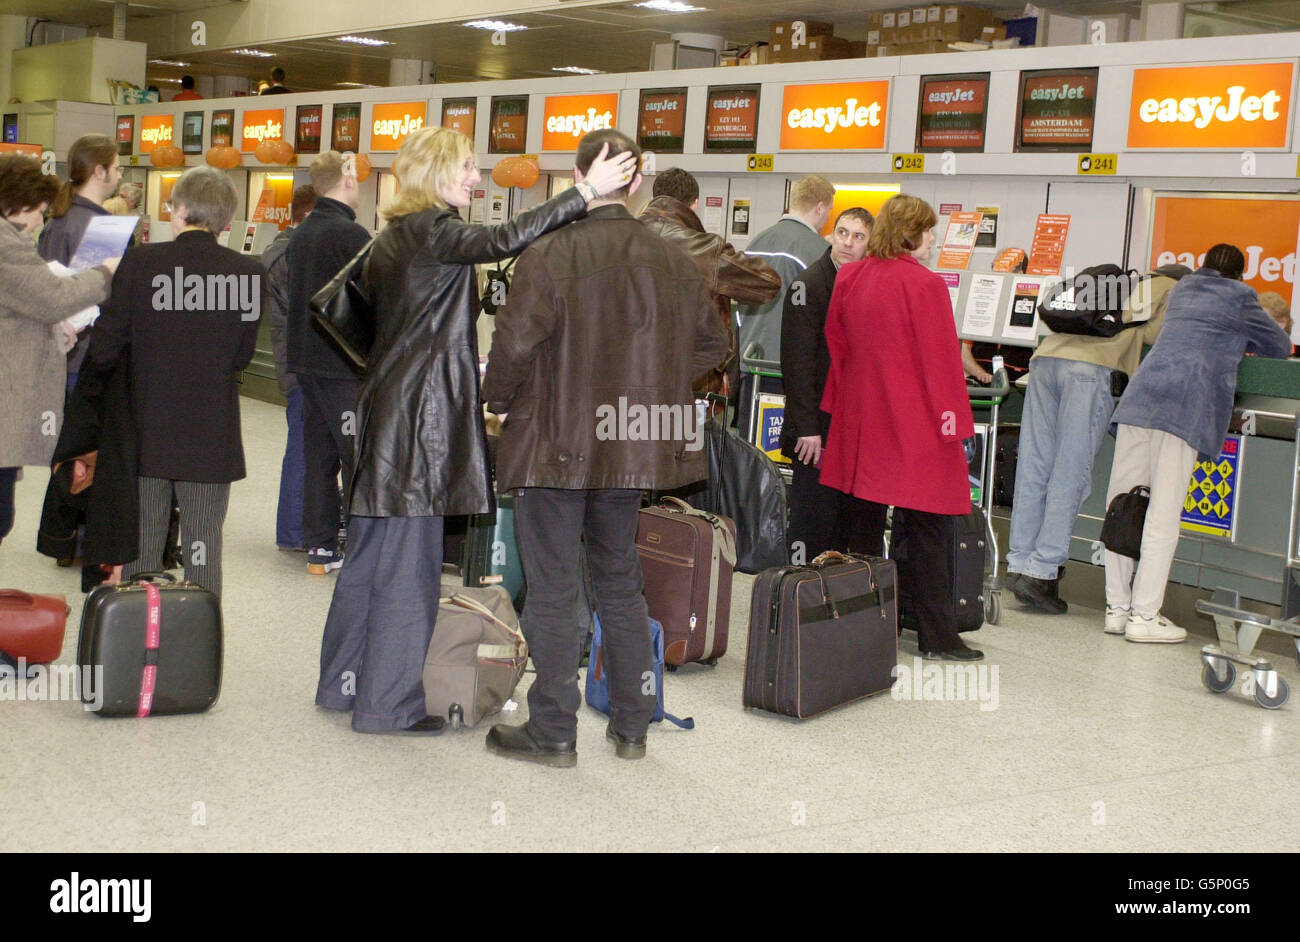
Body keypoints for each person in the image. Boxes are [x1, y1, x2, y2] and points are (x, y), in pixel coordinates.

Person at [313, 126, 636, 736]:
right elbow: (504, 238)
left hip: (385, 412)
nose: (477, 179)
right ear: (436, 171)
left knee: (367, 560)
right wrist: (584, 192)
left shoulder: (391, 237)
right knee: (411, 569)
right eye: (467, 168)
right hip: (422, 425)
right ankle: (388, 705)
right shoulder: (436, 231)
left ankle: (341, 683)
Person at [482, 129, 728, 766]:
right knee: (620, 581)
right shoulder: (677, 260)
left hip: (554, 443)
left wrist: (498, 398)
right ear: (638, 181)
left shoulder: (550, 252)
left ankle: (553, 731)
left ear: (578, 178)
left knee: (556, 585)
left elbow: (513, 346)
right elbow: (712, 347)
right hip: (632, 444)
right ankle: (632, 725)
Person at [819, 194, 982, 661]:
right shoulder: (926, 286)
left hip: (864, 420)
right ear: (912, 234)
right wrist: (955, 424)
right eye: (928, 231)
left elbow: (838, 346)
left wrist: (841, 406)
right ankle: (935, 634)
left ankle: (866, 624)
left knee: (864, 527)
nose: (932, 239)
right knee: (928, 529)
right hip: (915, 426)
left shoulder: (850, 276)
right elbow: (941, 364)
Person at [89, 166, 264, 598]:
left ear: (179, 210)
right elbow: (241, 356)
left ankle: (142, 641)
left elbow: (106, 346)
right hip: (210, 434)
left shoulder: (143, 262)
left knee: (144, 547)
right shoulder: (247, 273)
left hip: (147, 430)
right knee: (203, 547)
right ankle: (199, 647)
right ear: (226, 220)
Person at [1103, 244, 1292, 642]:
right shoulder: (1240, 298)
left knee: (1122, 506)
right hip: (1184, 407)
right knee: (1162, 515)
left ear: (1203, 267)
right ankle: (1144, 617)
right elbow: (1278, 346)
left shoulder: (1181, 289)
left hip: (1140, 400)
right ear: (1240, 277)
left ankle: (1117, 610)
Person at [1005, 265, 1188, 614]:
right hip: (1089, 371)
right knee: (1069, 471)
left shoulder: (1124, 282)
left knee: (1034, 466)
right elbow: (1156, 337)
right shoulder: (1172, 290)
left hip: (1045, 362)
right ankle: (1042, 572)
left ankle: (1019, 563)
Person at [0, 155, 116, 549]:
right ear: (17, 203)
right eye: (39, 212)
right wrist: (105, 273)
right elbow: (50, 297)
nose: (39, 222)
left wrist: (53, 332)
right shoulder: (5, 244)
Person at [285, 153, 370, 575]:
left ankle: (319, 549)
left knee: (318, 456)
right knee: (356, 455)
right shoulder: (350, 234)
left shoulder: (302, 234)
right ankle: (360, 547)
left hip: (307, 362)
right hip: (342, 365)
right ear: (348, 178)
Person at [780, 206, 874, 561]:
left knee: (848, 525)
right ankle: (800, 601)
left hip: (852, 428)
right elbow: (797, 364)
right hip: (815, 430)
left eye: (858, 236)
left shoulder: (866, 284)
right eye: (843, 233)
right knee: (811, 524)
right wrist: (806, 427)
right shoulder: (809, 285)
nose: (848, 243)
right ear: (832, 235)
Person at [638, 167, 778, 399]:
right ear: (694, 204)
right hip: (689, 382)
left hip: (623, 376)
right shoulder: (707, 251)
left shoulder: (619, 237)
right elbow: (768, 283)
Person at [734, 174, 834, 436]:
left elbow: (737, 305)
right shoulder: (818, 251)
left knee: (749, 447)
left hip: (750, 362)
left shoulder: (756, 242)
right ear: (820, 207)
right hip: (788, 373)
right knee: (780, 452)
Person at [38, 134, 121, 392]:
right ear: (99, 171)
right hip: (85, 360)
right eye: (117, 169)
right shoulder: (101, 227)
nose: (120, 176)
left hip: (64, 356)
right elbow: (104, 296)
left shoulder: (59, 220)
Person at [263, 184, 317, 551]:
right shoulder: (290, 255)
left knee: (304, 445)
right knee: (301, 447)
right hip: (303, 366)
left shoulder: (280, 251)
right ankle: (294, 531)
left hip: (294, 362)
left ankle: (299, 527)